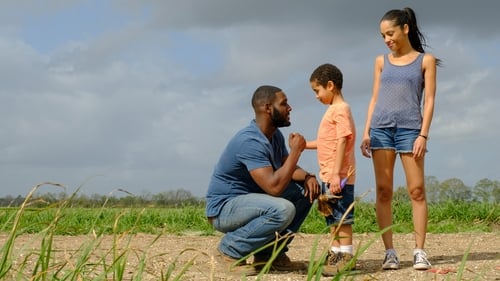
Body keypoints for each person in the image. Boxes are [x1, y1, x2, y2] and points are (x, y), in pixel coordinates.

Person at [206, 85, 321, 276]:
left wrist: (308, 177)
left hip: (252, 202)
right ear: (267, 108)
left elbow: (287, 169)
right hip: (224, 209)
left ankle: (269, 255)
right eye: (284, 103)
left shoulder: (274, 136)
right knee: (283, 209)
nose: (290, 108)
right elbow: (274, 187)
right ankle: (228, 251)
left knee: (305, 192)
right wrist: (296, 151)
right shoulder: (250, 141)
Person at [360, 7, 440, 270]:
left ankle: (419, 251)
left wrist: (423, 135)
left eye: (390, 33)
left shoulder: (425, 61)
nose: (387, 39)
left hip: (410, 131)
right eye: (383, 35)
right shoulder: (381, 61)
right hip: (381, 130)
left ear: (405, 28)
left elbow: (429, 101)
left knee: (417, 191)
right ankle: (390, 252)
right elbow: (374, 98)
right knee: (383, 192)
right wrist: (366, 132)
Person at [305, 64, 357, 276]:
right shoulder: (332, 111)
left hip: (340, 177)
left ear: (330, 85)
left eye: (317, 91)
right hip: (330, 176)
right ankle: (335, 253)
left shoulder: (341, 109)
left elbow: (343, 139)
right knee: (332, 218)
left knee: (342, 218)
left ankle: (346, 256)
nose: (316, 96)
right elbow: (326, 142)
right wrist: (303, 145)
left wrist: (337, 173)